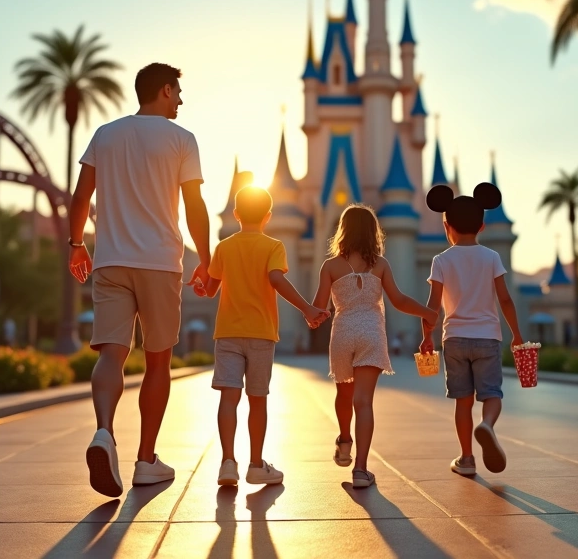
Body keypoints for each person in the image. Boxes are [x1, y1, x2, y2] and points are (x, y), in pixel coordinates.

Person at [68, 63, 211, 498]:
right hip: (160, 263)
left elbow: (80, 196)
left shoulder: (105, 135)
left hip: (110, 261)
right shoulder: (182, 140)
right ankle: (146, 459)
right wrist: (206, 260)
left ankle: (104, 432)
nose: (182, 100)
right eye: (179, 92)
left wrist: (77, 244)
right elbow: (195, 206)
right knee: (158, 362)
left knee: (111, 354)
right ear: (164, 90)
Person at [202, 186, 329, 487]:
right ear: (268, 216)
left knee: (228, 399)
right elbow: (275, 279)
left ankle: (227, 462)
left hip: (229, 333)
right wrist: (307, 308)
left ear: (235, 214)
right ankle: (256, 464)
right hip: (260, 334)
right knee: (257, 400)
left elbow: (210, 289)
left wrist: (201, 285)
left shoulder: (224, 247)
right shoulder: (274, 246)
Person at [312, 205, 438, 489]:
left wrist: (313, 315)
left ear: (342, 230)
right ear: (373, 232)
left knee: (344, 394)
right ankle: (360, 470)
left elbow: (320, 307)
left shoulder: (330, 266)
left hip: (343, 334)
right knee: (363, 402)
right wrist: (426, 312)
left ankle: (345, 439)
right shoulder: (380, 264)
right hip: (371, 333)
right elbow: (399, 300)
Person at [420, 183, 524, 477]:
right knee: (491, 394)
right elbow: (504, 298)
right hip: (487, 337)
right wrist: (516, 334)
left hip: (454, 339)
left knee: (462, 401)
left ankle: (466, 459)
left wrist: (426, 336)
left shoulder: (441, 260)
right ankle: (487, 425)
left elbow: (432, 306)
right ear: (482, 225)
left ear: (446, 225)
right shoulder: (491, 257)